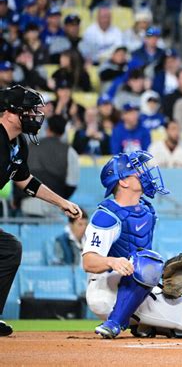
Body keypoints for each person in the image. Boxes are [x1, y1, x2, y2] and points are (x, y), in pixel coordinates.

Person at [83, 150, 182, 338]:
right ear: (122, 182)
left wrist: (156, 278)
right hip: (105, 291)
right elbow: (89, 262)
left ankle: (147, 325)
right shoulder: (106, 215)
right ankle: (115, 323)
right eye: (136, 171)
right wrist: (113, 262)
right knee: (148, 263)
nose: (143, 173)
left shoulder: (146, 210)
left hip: (134, 288)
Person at [0, 84, 82, 336]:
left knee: (10, 249)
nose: (34, 116)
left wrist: (62, 203)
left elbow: (26, 181)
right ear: (9, 113)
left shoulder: (19, 144)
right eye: (28, 110)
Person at [21, 114, 80, 217]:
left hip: (27, 202)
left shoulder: (30, 147)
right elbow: (71, 184)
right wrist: (60, 200)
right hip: (55, 205)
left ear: (48, 129)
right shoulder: (70, 151)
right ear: (63, 132)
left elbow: (19, 175)